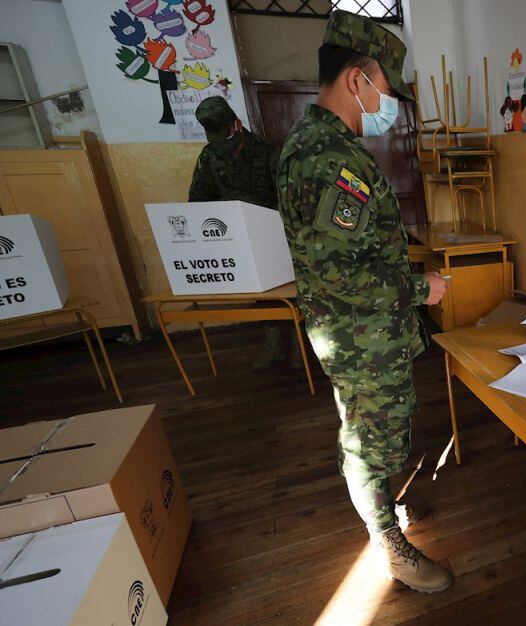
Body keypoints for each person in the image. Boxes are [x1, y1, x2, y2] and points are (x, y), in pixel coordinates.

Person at [276, 12, 450, 592]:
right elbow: (341, 277)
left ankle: (387, 515)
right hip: (360, 335)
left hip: (368, 332)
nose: (389, 103)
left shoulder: (322, 146)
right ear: (358, 79)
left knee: (384, 431)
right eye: (386, 88)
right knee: (369, 443)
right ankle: (390, 547)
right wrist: (424, 288)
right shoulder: (328, 159)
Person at [189, 96, 292, 369]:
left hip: (275, 235)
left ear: (236, 123)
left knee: (291, 292)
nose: (222, 142)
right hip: (235, 237)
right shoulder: (209, 156)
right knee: (263, 296)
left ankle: (304, 349)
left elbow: (288, 194)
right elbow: (198, 200)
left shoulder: (268, 151)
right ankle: (275, 347)